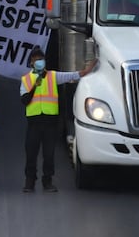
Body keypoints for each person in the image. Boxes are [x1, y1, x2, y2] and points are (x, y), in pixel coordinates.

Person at [20, 49, 95, 193]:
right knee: (31, 153)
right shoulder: (25, 80)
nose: (39, 62)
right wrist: (35, 86)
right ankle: (29, 181)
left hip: (50, 122)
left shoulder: (53, 76)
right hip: (34, 123)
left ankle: (47, 181)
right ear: (31, 62)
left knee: (49, 154)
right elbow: (24, 100)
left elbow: (72, 76)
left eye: (41, 58)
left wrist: (87, 70)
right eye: (36, 59)